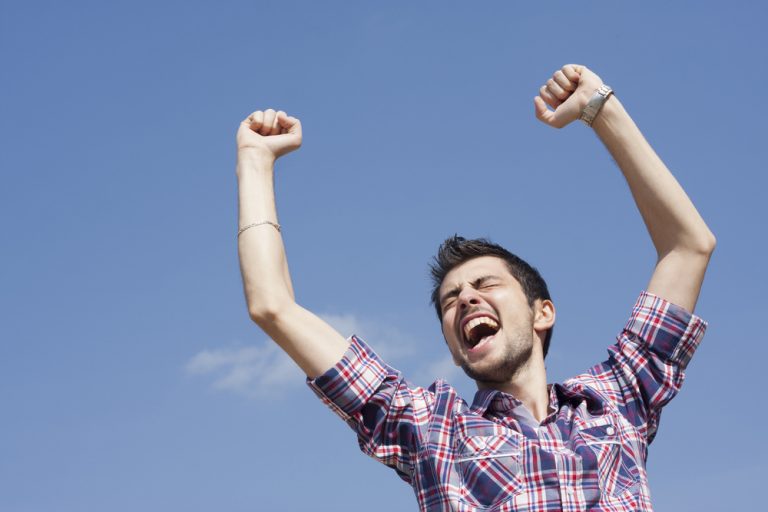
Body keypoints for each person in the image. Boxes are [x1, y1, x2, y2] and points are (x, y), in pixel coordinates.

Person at [234, 64, 715, 511]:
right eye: (450, 300)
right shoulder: (431, 428)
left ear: (541, 312)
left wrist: (600, 109)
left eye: (485, 283)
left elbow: (688, 246)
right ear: (452, 344)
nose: (465, 298)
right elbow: (273, 306)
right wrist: (254, 162)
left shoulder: (616, 400)